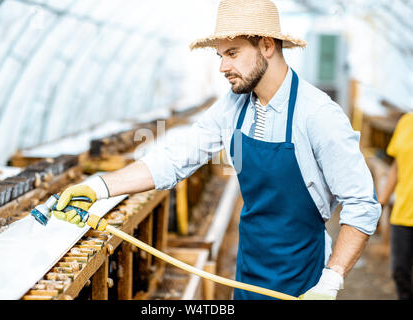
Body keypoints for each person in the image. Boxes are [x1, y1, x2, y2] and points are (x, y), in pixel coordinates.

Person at [53, 0, 381, 300]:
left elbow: (362, 205)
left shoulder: (318, 115)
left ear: (267, 45)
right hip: (250, 266)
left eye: (233, 53)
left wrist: (329, 282)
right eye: (220, 55)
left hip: (302, 276)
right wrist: (98, 187)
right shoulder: (235, 106)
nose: (223, 67)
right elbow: (174, 158)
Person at [378, 112, 413, 300]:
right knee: (400, 271)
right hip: (403, 213)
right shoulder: (407, 121)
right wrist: (381, 202)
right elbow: (397, 166)